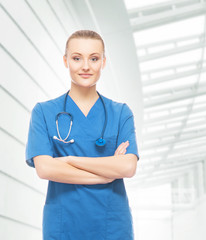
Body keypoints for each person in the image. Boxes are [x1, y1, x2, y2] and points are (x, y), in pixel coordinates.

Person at [25, 30, 139, 240]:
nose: (86, 66)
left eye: (94, 58)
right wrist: (107, 174)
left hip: (111, 224)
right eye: (77, 58)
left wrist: (69, 160)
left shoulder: (121, 113)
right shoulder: (44, 112)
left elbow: (128, 167)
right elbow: (45, 168)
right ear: (65, 61)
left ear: (103, 62)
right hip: (63, 224)